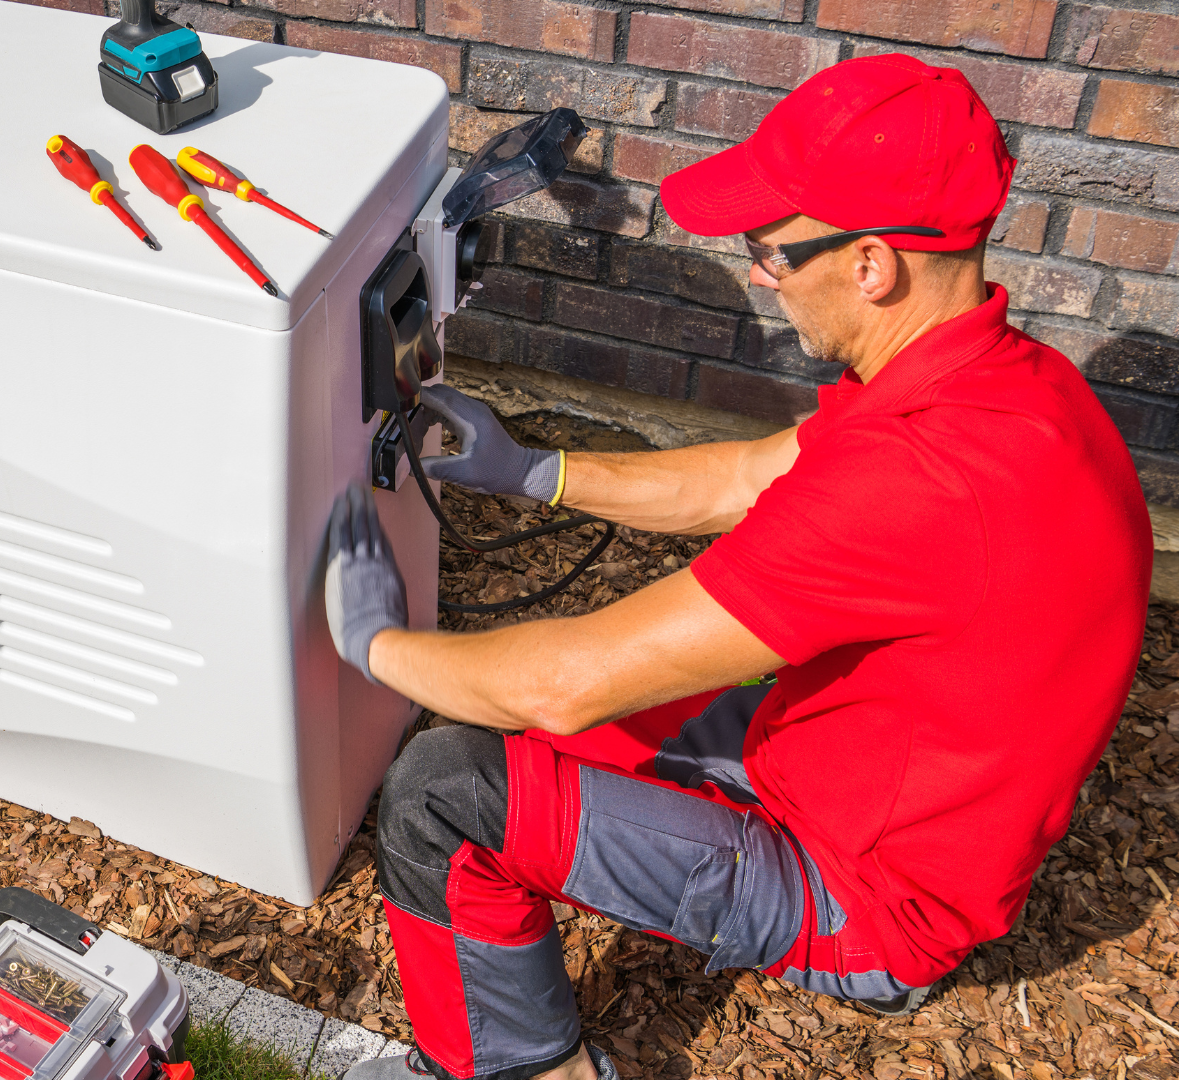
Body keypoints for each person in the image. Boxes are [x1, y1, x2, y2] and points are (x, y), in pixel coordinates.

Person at [325, 53, 1152, 1080]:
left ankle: (524, 1071)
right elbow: (745, 478)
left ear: (870, 266)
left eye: (771, 250)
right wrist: (536, 471)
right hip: (859, 774)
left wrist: (371, 645)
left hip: (866, 896)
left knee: (443, 792)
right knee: (544, 722)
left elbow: (562, 685)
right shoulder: (1003, 383)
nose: (761, 273)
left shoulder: (920, 479)